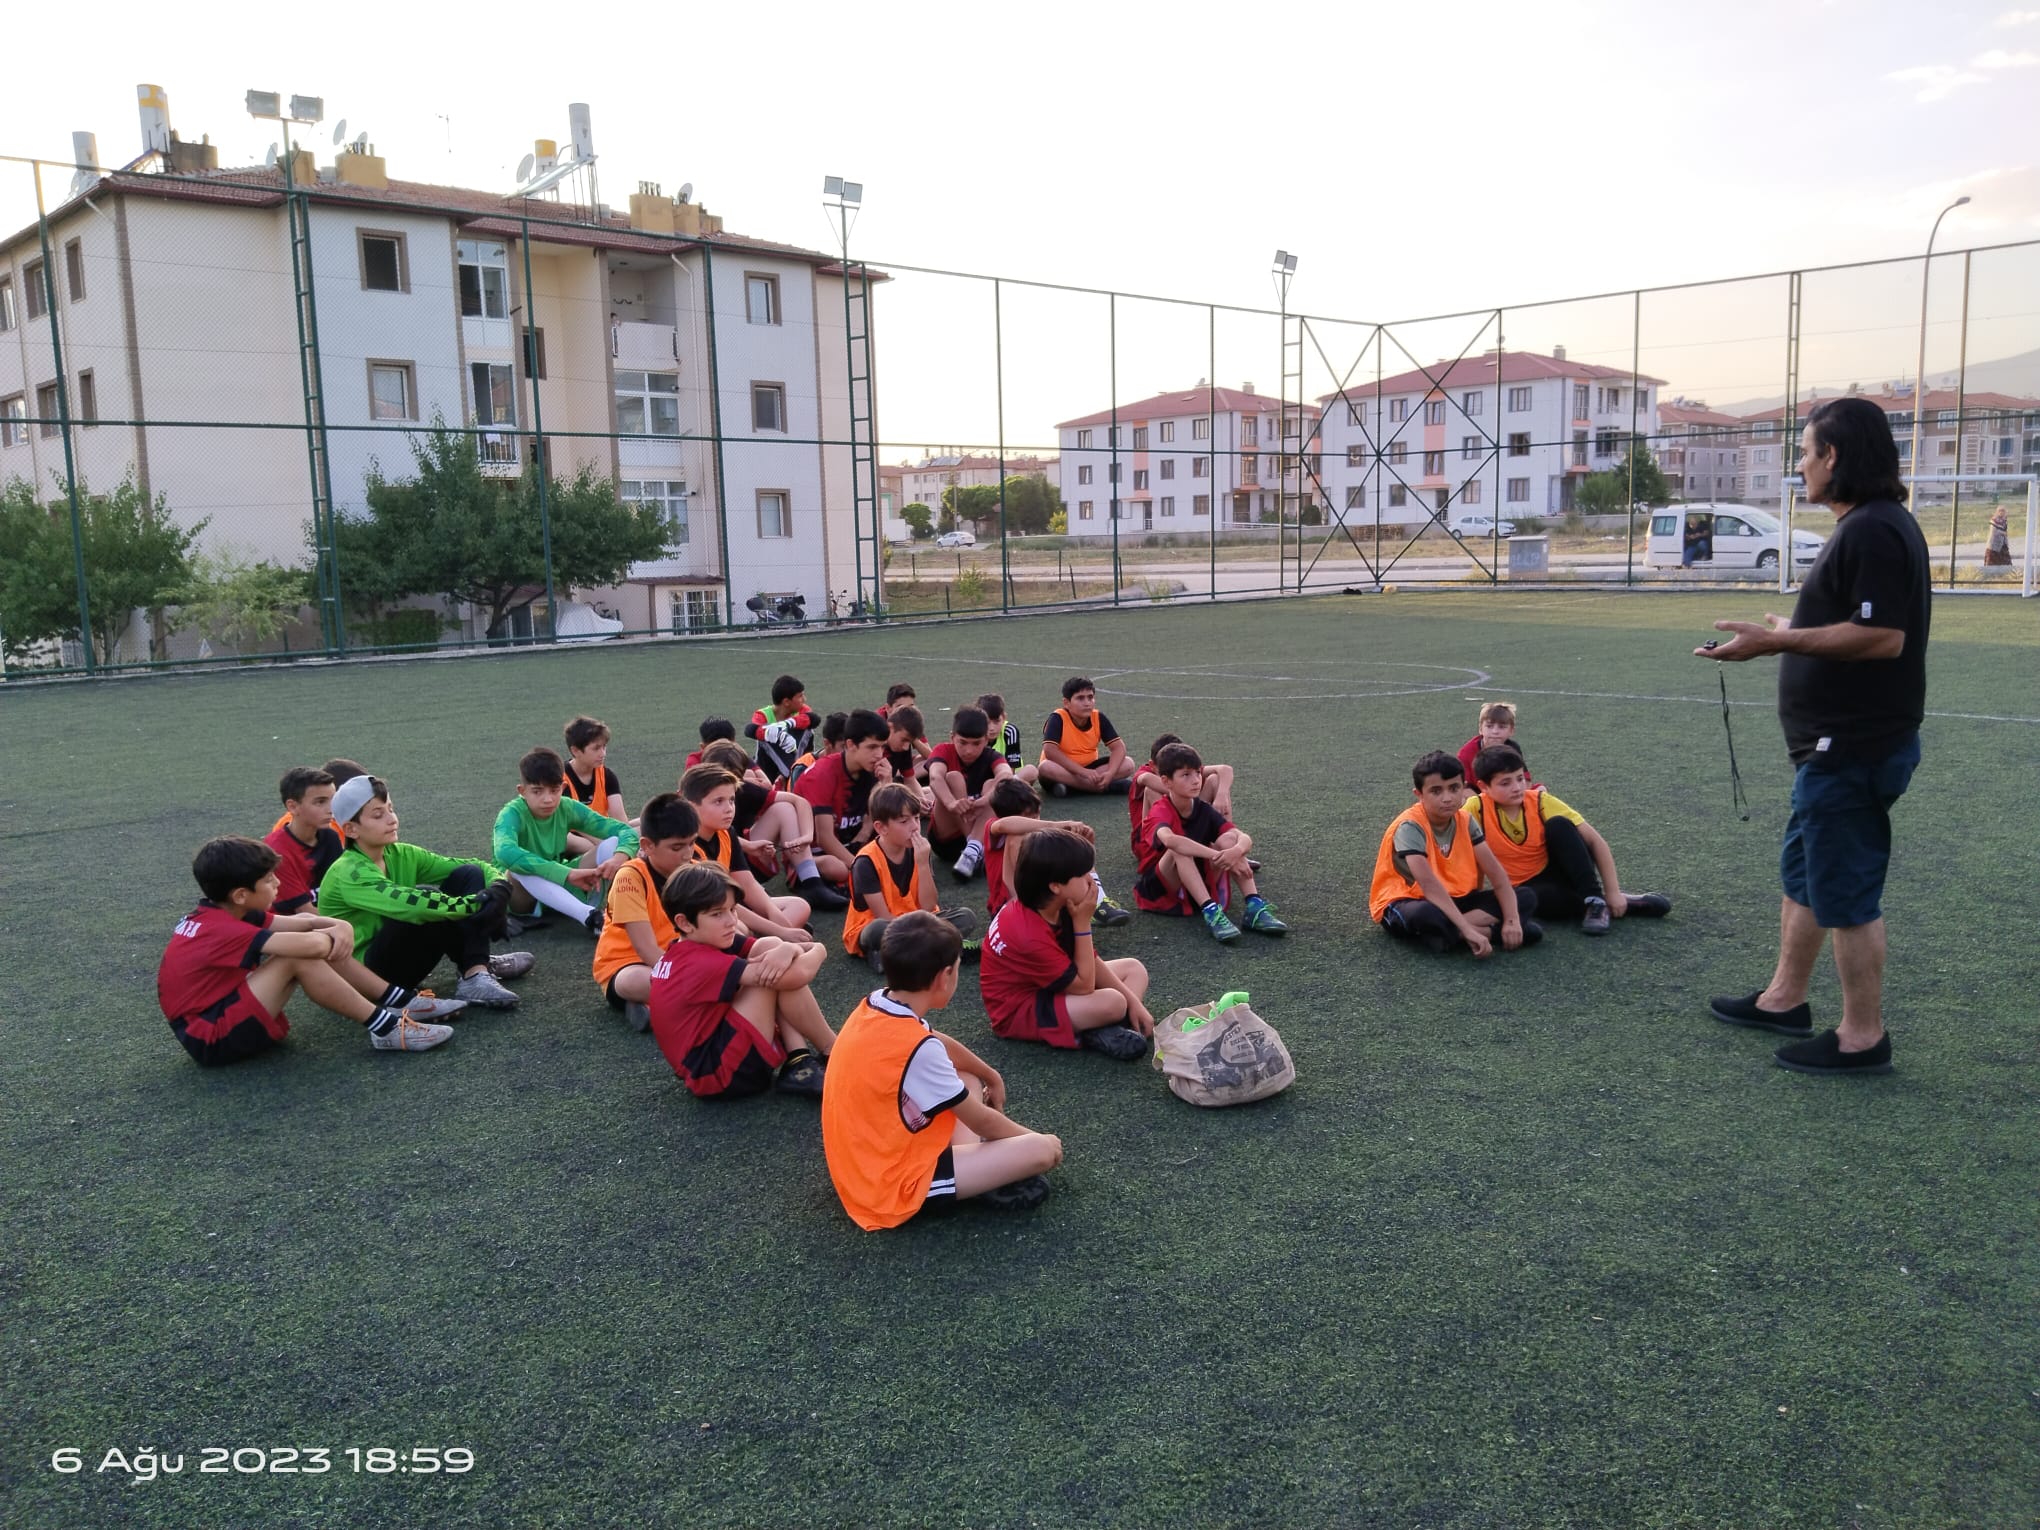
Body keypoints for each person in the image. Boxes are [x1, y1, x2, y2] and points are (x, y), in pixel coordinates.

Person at [1697, 395, 1931, 1075]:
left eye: (1805, 452)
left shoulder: (1873, 529)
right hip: (1830, 752)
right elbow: (1851, 623)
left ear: (1834, 455)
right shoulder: (1867, 524)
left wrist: (1777, 642)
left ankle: (1862, 1037)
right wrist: (1791, 629)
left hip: (1852, 749)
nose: (1799, 464)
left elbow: (1883, 637)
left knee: (1846, 893)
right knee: (1805, 876)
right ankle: (1784, 998)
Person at [822, 912, 1062, 1229]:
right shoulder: (917, 1047)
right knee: (1041, 1151)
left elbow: (932, 1039)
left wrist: (990, 1074)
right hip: (887, 1184)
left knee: (967, 1078)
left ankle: (979, 1169)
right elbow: (982, 1121)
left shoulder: (877, 1003)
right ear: (944, 977)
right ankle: (982, 1176)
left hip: (865, 1156)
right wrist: (1041, 1140)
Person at [158, 836, 458, 1063]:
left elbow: (301, 922)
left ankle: (401, 1002)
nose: (277, 883)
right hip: (210, 1037)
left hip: (215, 1016)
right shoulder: (222, 929)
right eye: (268, 880)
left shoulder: (223, 912)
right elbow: (311, 944)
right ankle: (386, 1027)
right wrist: (335, 934)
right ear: (240, 895)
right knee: (297, 957)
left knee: (303, 948)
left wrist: (340, 925)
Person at [317, 775, 531, 1007]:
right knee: (427, 902)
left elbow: (473, 865)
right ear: (351, 829)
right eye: (378, 815)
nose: (392, 819)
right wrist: (479, 904)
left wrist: (499, 888)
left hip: (398, 960)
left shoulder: (400, 853)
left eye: (391, 809)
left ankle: (477, 970)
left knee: (468, 874)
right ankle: (475, 966)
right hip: (366, 978)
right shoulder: (349, 872)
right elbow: (413, 906)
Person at [650, 862, 837, 1099]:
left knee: (770, 947)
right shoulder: (698, 962)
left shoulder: (691, 945)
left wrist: (787, 948)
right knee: (774, 977)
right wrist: (819, 949)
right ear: (684, 922)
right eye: (717, 914)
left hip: (706, 1059)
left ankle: (799, 1059)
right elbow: (796, 975)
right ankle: (834, 1051)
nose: (731, 921)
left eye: (732, 909)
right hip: (717, 1075)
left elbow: (772, 951)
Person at [981, 829, 1154, 1060]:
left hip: (1050, 984)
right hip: (1019, 1009)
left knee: (1134, 969)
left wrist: (1135, 1004)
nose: (1091, 880)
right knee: (1114, 1002)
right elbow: (1084, 986)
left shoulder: (1052, 903)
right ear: (1056, 886)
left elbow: (1090, 961)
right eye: (1083, 874)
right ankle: (1094, 1027)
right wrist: (1083, 923)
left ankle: (1098, 1025)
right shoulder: (1028, 934)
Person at [1465, 744, 1671, 934]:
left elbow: (1595, 842)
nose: (1517, 787)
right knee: (1535, 899)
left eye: (1519, 778)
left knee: (1559, 824)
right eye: (1505, 783)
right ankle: (1605, 904)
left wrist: (1613, 891)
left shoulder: (1539, 800)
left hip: (1566, 870)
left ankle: (1596, 900)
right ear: (1483, 786)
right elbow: (1462, 852)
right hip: (1528, 886)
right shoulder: (1476, 808)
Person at [1370, 750, 1541, 957]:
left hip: (1457, 898)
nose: (1447, 798)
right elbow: (1429, 886)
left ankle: (1447, 934)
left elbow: (1497, 876)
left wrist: (1512, 921)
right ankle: (1480, 933)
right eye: (1436, 791)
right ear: (1419, 794)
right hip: (1408, 900)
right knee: (1426, 914)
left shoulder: (1465, 820)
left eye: (1454, 788)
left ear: (1464, 787)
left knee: (1525, 896)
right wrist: (1469, 929)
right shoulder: (1410, 826)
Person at [1134, 743, 1287, 941]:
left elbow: (1242, 836)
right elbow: (1171, 840)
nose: (1196, 780)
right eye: (1186, 775)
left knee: (1230, 840)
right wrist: (1218, 856)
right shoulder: (1160, 809)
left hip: (1198, 881)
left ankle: (1254, 906)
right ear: (1166, 781)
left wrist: (1236, 851)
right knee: (1179, 847)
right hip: (1162, 889)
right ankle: (1211, 911)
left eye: (1197, 773)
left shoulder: (1203, 808)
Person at [492, 748, 637, 934]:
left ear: (563, 787)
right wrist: (566, 873)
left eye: (554, 790)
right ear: (522, 791)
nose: (548, 799)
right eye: (537, 791)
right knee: (517, 867)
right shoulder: (511, 814)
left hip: (561, 886)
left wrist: (619, 856)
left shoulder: (567, 807)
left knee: (615, 842)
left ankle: (620, 905)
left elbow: (624, 830)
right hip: (522, 899)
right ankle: (591, 917)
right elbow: (505, 853)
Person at [842, 783, 979, 972]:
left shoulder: (919, 850)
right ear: (881, 828)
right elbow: (883, 917)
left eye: (916, 818)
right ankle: (938, 948)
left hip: (916, 922)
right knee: (878, 930)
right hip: (880, 926)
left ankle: (900, 955)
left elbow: (929, 905)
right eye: (904, 821)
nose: (915, 827)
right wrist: (926, 929)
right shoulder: (865, 862)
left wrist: (922, 863)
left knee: (966, 917)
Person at [590, 792, 698, 1031]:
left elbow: (731, 918)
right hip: (629, 964)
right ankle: (667, 998)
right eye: (677, 847)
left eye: (692, 843)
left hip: (683, 960)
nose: (687, 853)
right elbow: (646, 949)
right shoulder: (630, 877)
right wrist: (695, 977)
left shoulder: (696, 871)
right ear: (647, 846)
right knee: (635, 980)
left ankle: (655, 1003)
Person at [698, 738, 845, 909]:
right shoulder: (696, 798)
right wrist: (748, 845)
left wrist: (806, 836)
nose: (726, 788)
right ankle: (748, 898)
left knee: (784, 808)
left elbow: (798, 801)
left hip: (740, 862)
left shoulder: (741, 788)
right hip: (710, 868)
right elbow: (710, 833)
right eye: (718, 800)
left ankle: (811, 881)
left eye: (732, 782)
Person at [681, 762, 816, 945]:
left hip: (729, 907)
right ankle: (757, 942)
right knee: (739, 928)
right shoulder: (685, 847)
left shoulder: (726, 833)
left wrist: (777, 919)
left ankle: (759, 940)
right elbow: (721, 902)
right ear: (691, 806)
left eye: (731, 800)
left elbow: (748, 884)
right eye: (718, 801)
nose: (729, 808)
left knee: (799, 906)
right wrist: (781, 931)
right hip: (708, 913)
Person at [981, 777, 1129, 926]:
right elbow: (1003, 825)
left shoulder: (1038, 834)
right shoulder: (994, 826)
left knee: (1067, 847)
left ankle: (1098, 902)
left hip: (1045, 897)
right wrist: (1057, 826)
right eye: (1029, 817)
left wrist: (1082, 843)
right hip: (1007, 905)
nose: (1036, 821)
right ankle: (1024, 909)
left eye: (1037, 815)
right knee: (1018, 837)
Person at [793, 707, 890, 889]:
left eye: (882, 747)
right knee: (837, 868)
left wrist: (887, 784)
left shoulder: (874, 768)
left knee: (904, 838)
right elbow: (824, 838)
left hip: (852, 842)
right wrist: (860, 868)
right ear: (851, 745)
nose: (879, 754)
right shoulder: (822, 774)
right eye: (872, 747)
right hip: (815, 851)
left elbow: (887, 820)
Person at [927, 705, 1011, 877]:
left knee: (994, 784)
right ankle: (974, 847)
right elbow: (935, 777)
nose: (969, 750)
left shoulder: (991, 756)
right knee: (953, 777)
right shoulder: (944, 750)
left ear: (986, 740)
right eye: (963, 742)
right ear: (952, 737)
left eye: (976, 743)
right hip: (947, 839)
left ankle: (972, 850)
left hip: (979, 832)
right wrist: (952, 803)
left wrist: (984, 801)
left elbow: (1006, 774)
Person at [1129, 732, 1234, 858]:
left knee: (1215, 780)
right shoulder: (1146, 774)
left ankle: (1228, 846)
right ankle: (1210, 850)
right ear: (1153, 765)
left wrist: (1221, 795)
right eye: (1185, 774)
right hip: (1156, 841)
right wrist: (1189, 794)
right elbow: (1146, 778)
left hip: (1186, 821)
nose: (1195, 778)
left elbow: (1225, 769)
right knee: (1151, 790)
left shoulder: (1185, 770)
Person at [264, 766, 345, 915]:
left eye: (333, 800)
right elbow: (305, 911)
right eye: (320, 802)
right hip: (293, 923)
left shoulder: (330, 837)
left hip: (326, 916)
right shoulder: (277, 851)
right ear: (293, 807)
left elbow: (343, 888)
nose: (331, 809)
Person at [1039, 676, 1136, 796]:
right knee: (1045, 767)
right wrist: (1082, 772)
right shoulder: (1058, 718)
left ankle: (1073, 789)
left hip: (1091, 769)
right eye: (1080, 698)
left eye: (1090, 697)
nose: (1087, 703)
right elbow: (1050, 751)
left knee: (1128, 764)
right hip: (1063, 769)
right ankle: (1104, 787)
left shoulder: (1098, 717)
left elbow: (1119, 748)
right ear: (1066, 703)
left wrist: (1110, 773)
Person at [746, 676, 818, 783]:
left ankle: (792, 772)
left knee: (808, 730)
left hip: (797, 757)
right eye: (800, 696)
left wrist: (786, 724)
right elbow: (750, 730)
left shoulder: (802, 710)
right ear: (786, 702)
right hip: (768, 767)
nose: (804, 699)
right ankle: (789, 774)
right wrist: (777, 734)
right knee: (765, 736)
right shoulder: (763, 715)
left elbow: (814, 719)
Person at [561, 715, 629, 824]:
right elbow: (563, 826)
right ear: (575, 751)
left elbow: (620, 820)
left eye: (604, 747)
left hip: (603, 831)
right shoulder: (560, 780)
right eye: (596, 748)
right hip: (571, 834)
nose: (603, 754)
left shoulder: (607, 776)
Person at [976, 693, 1038, 785]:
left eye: (996, 721)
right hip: (985, 779)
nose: (992, 728)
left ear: (1004, 717)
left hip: (1010, 777)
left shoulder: (1010, 731)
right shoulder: (975, 732)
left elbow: (1011, 769)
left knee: (1031, 770)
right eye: (987, 722)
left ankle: (1001, 790)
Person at [882, 705, 935, 807]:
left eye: (910, 742)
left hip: (886, 791)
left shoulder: (901, 747)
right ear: (890, 727)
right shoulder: (873, 747)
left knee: (933, 796)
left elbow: (910, 779)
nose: (906, 747)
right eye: (904, 740)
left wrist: (923, 803)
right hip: (870, 801)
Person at [1457, 702, 1519, 781]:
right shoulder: (1466, 753)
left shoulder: (1513, 749)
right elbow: (1464, 785)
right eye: (1489, 726)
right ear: (1480, 729)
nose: (1495, 731)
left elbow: (1524, 778)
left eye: (1502, 727)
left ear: (1511, 731)